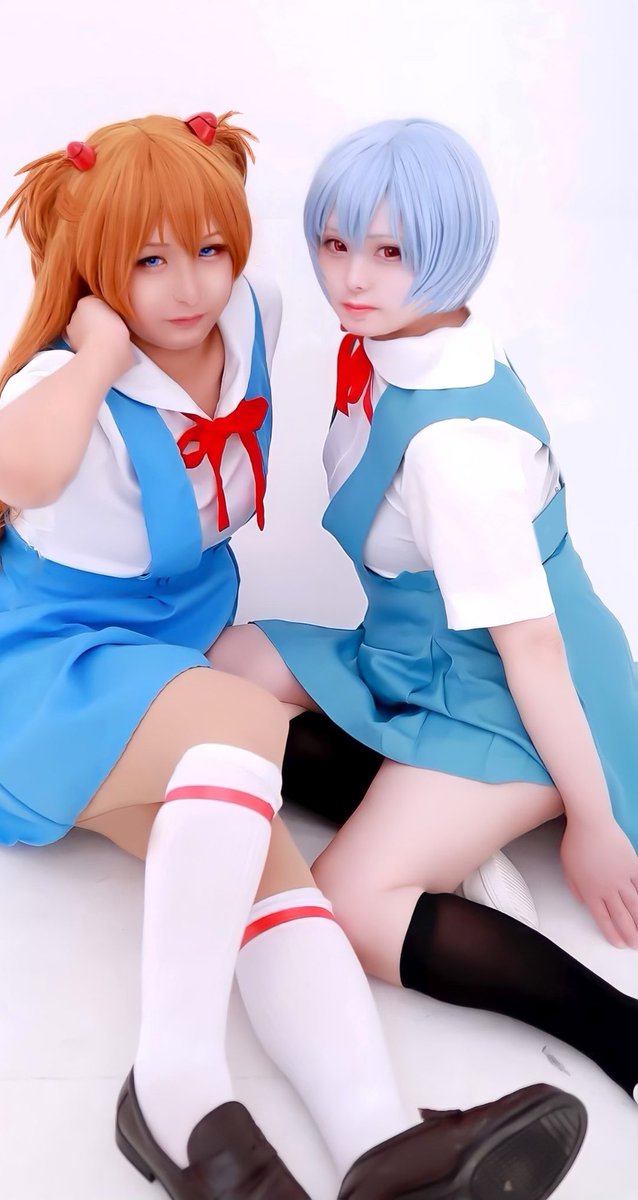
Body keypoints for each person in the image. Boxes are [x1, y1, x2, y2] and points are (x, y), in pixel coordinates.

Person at [0, 111, 587, 1200]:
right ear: (93, 266)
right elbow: (16, 469)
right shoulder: (59, 389)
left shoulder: (253, 314)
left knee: (264, 864)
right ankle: (174, 1089)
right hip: (49, 679)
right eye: (146, 262)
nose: (189, 286)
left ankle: (379, 1141)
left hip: (171, 668)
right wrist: (95, 357)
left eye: (209, 248)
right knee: (244, 726)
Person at [210, 117, 638, 1112]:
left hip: (516, 697)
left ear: (450, 246)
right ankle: (440, 829)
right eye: (335, 243)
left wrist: (592, 821)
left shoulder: (459, 449)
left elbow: (533, 649)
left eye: (391, 251)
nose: (353, 277)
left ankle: (619, 1033)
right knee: (225, 674)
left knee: (350, 900)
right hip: (421, 647)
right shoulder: (405, 346)